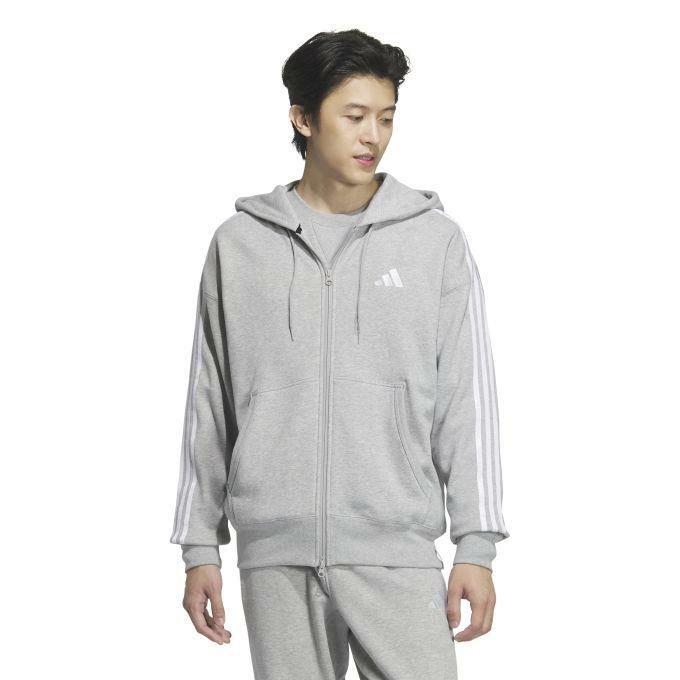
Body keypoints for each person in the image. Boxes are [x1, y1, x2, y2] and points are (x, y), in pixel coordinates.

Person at [169, 28, 510, 680]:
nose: (372, 136)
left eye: (386, 118)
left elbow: (467, 401)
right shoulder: (239, 246)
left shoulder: (434, 242)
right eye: (354, 117)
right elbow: (208, 404)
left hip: (395, 548)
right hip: (276, 554)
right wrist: (198, 547)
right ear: (303, 118)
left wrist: (477, 543)